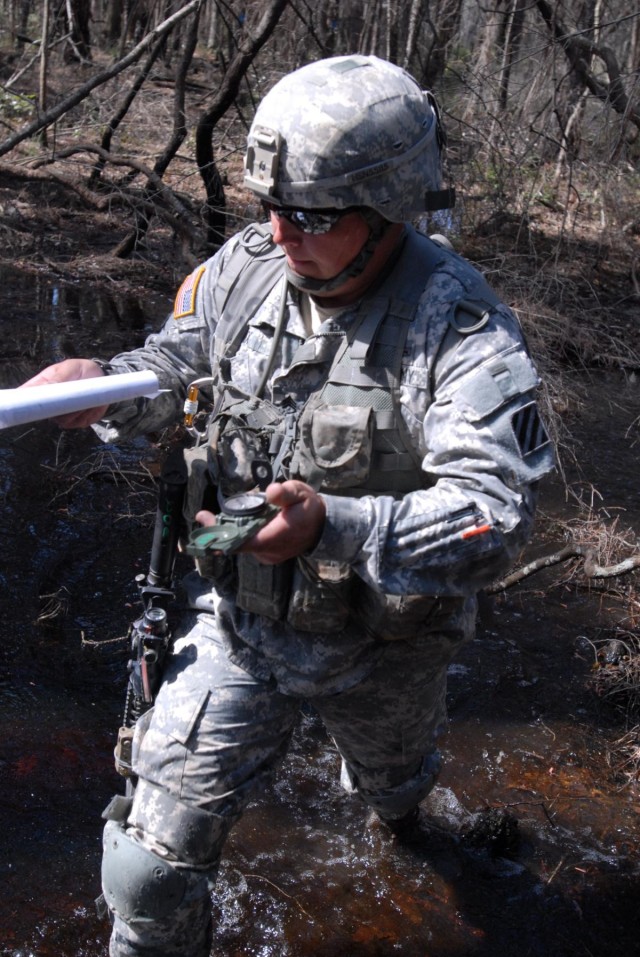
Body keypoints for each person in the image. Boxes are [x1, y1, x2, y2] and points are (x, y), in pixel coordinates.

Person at [22, 54, 555, 957]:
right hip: (242, 625)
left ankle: (405, 815)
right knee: (146, 876)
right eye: (268, 206)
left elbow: (495, 514)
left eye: (308, 214)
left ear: (386, 209)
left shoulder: (459, 327)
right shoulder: (249, 265)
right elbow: (181, 366)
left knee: (394, 798)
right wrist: (108, 385)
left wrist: (333, 525)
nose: (279, 231)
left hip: (385, 649)